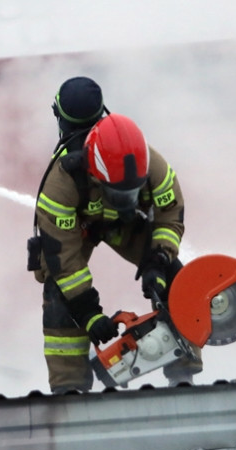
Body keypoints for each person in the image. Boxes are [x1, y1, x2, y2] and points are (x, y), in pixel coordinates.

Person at [29, 110, 201, 393]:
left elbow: (170, 216)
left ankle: (184, 374)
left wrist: (158, 261)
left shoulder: (155, 167)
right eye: (118, 192)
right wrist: (89, 315)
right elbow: (64, 262)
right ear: (95, 174)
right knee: (58, 293)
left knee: (177, 280)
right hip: (78, 227)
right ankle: (69, 388)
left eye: (131, 191)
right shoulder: (60, 185)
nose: (126, 199)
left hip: (128, 223)